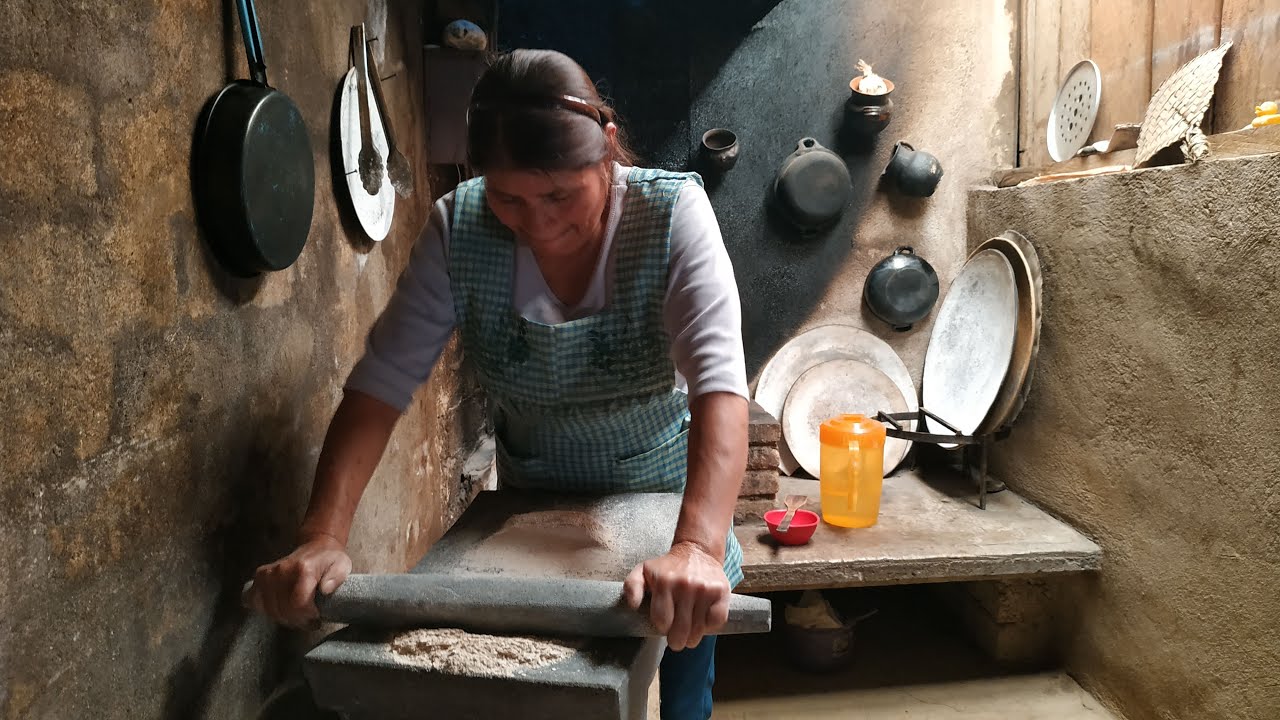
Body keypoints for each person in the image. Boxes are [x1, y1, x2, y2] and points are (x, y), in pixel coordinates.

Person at [250, 48, 748, 720]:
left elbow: (719, 386)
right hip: (529, 508)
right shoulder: (462, 228)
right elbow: (380, 387)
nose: (537, 223)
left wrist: (694, 548)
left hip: (664, 504)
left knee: (680, 688)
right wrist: (322, 534)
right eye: (510, 198)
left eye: (559, 194)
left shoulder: (671, 217)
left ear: (606, 150)